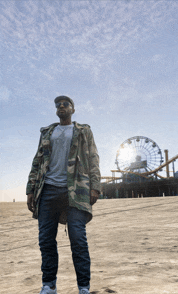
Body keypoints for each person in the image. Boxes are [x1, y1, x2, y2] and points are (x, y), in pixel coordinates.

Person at [26, 96, 101, 294]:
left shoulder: (83, 130)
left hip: (75, 190)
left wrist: (95, 186)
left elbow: (93, 157)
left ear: (73, 109)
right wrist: (30, 190)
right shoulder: (47, 132)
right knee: (46, 240)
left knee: (78, 240)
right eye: (58, 104)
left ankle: (83, 287)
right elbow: (37, 161)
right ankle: (49, 285)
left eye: (65, 104)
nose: (61, 106)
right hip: (48, 189)